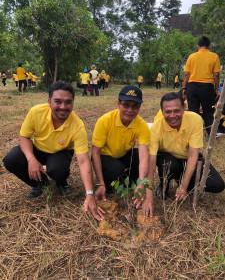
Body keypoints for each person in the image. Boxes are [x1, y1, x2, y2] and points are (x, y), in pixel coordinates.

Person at [3, 81, 104, 221]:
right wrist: (31, 159)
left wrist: (89, 193)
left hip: (61, 152)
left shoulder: (78, 125)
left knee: (58, 170)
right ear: (49, 102)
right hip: (38, 149)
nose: (63, 107)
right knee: (11, 159)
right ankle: (40, 183)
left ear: (73, 103)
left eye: (68, 102)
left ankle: (61, 181)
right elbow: (24, 137)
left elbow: (83, 160)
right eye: (58, 101)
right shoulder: (36, 112)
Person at [146, 92, 224, 203]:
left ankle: (183, 182)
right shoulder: (155, 128)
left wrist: (184, 186)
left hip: (188, 160)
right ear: (162, 112)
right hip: (169, 159)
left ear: (184, 109)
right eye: (168, 112)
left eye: (177, 111)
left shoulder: (195, 120)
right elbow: (152, 161)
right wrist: (149, 196)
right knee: (168, 164)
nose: (172, 116)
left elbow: (193, 155)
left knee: (217, 185)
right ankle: (164, 184)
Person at [91, 85, 153, 217]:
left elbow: (143, 154)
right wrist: (100, 182)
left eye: (135, 106)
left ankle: (133, 186)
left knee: (137, 157)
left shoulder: (141, 125)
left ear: (140, 107)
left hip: (123, 154)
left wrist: (142, 183)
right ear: (118, 103)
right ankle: (109, 186)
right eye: (126, 105)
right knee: (116, 169)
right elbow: (95, 153)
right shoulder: (105, 121)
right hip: (105, 156)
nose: (130, 110)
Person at [182, 36, 221, 135]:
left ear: (198, 46)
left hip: (192, 87)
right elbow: (216, 75)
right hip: (207, 88)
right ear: (209, 46)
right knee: (208, 111)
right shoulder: (214, 56)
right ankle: (211, 134)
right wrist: (217, 89)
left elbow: (187, 74)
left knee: (193, 112)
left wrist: (184, 88)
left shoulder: (192, 56)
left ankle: (193, 134)